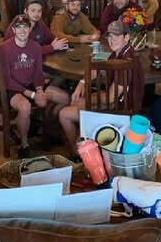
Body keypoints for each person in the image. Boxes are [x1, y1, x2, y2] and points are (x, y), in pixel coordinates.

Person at [58, 20, 146, 154]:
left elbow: (111, 97)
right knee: (76, 101)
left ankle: (80, 153)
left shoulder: (126, 62)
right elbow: (98, 69)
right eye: (110, 36)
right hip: (119, 106)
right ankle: (86, 144)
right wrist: (82, 83)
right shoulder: (119, 53)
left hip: (121, 112)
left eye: (116, 36)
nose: (112, 40)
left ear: (127, 37)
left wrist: (88, 99)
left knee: (64, 114)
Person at [0, 15, 70, 159]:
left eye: (25, 27)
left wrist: (39, 90)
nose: (22, 30)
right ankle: (24, 144)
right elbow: (7, 80)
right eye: (18, 27)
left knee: (64, 98)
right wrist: (31, 94)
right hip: (13, 88)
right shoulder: (4, 48)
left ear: (30, 29)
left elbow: (37, 73)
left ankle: (48, 129)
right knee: (25, 107)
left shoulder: (35, 47)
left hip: (31, 85)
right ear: (13, 30)